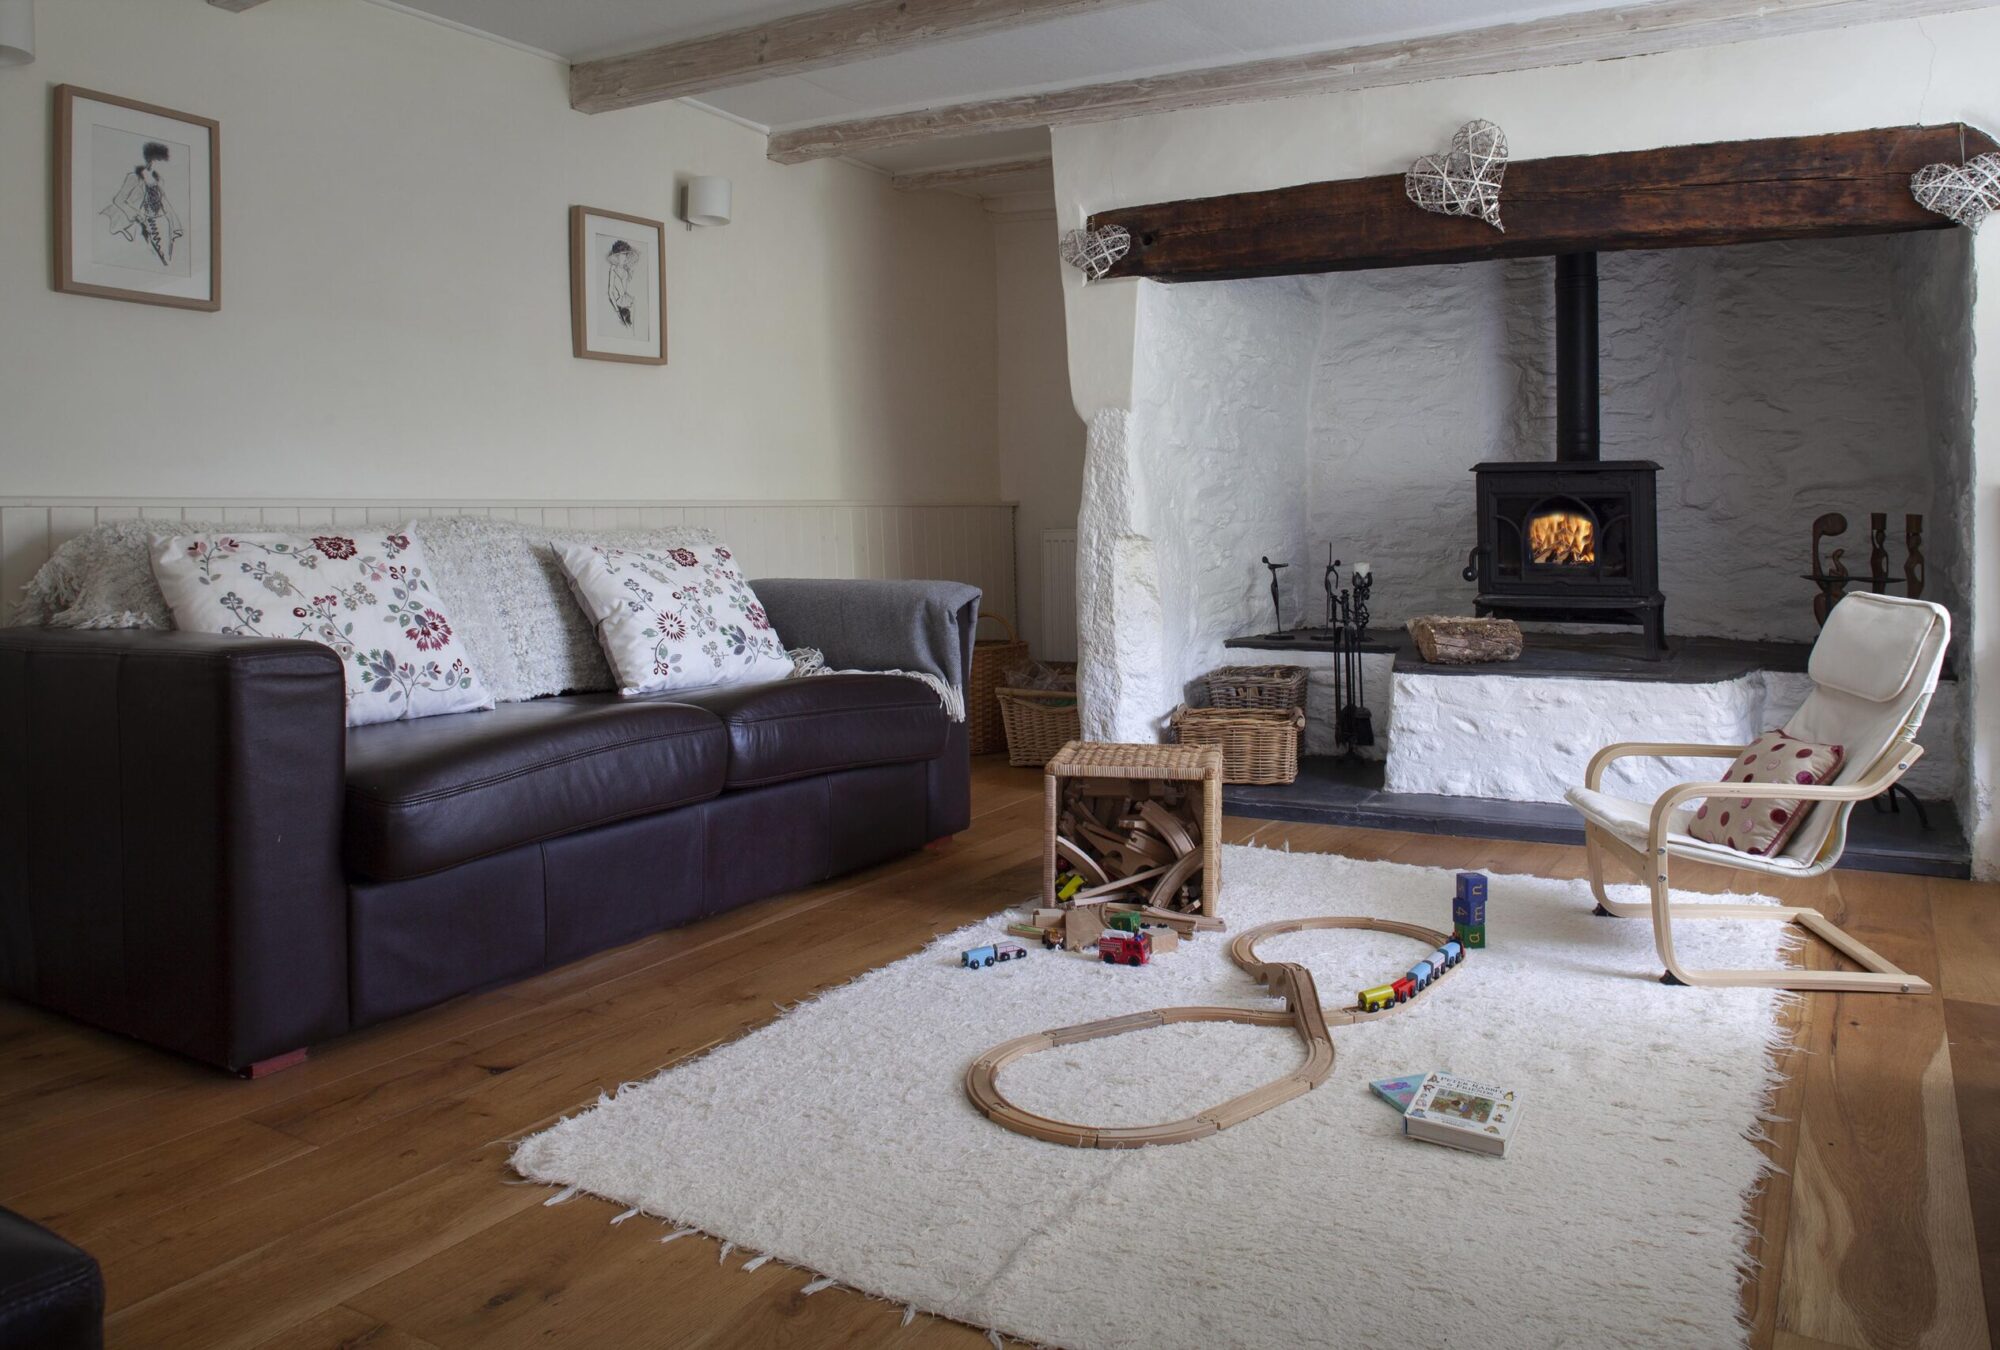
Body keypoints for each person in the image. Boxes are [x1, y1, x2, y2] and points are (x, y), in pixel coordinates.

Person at [102, 140, 183, 267]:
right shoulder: (134, 178)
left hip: (160, 223)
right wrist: (136, 214)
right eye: (161, 161)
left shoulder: (159, 181)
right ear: (152, 161)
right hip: (140, 224)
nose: (164, 165)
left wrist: (176, 226)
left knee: (165, 258)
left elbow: (165, 203)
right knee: (148, 257)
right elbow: (118, 199)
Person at [606, 239, 637, 329]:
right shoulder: (613, 270)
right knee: (623, 327)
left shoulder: (626, 271)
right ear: (617, 256)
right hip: (619, 305)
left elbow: (626, 287)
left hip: (630, 303)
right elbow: (610, 292)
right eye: (622, 255)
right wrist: (616, 310)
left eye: (625, 255)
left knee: (631, 327)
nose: (624, 258)